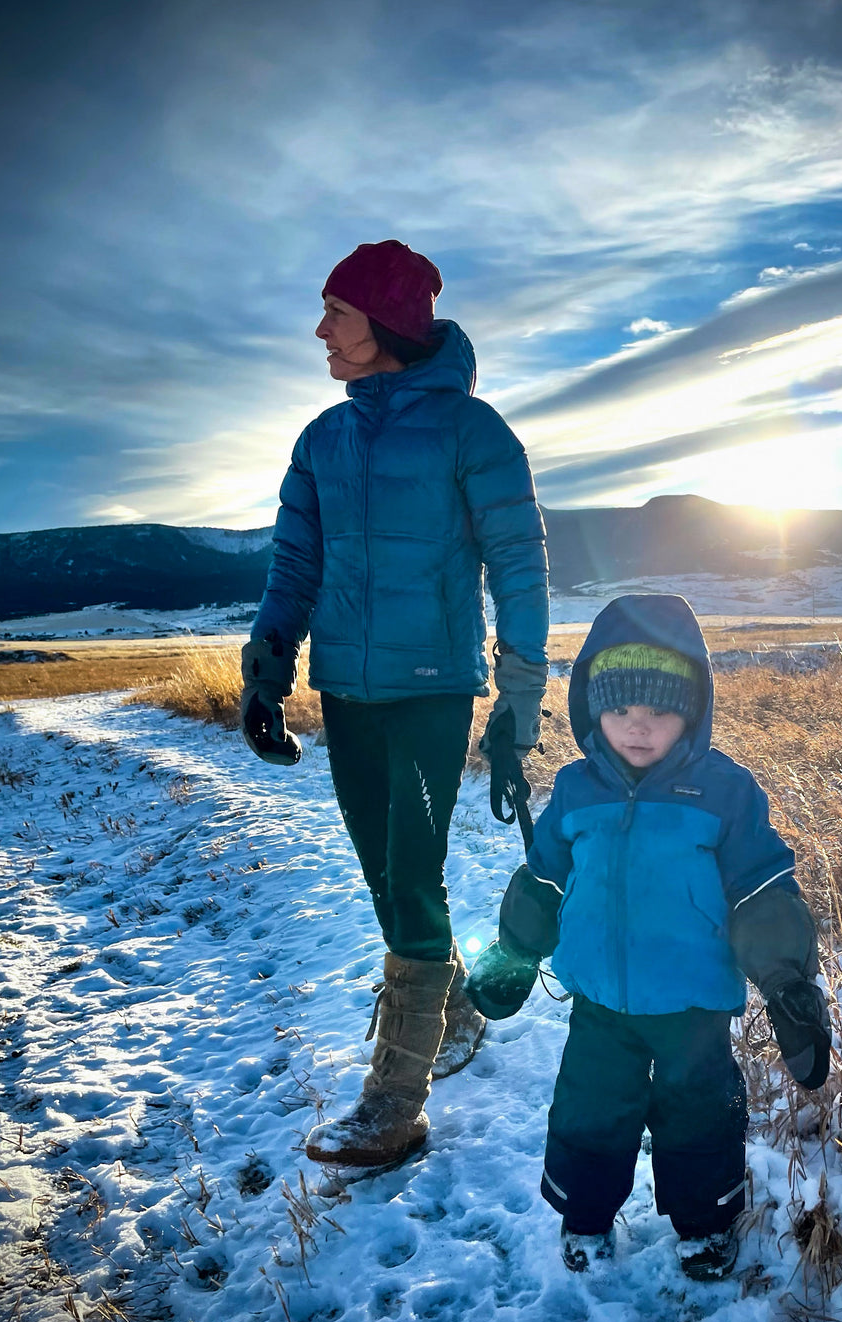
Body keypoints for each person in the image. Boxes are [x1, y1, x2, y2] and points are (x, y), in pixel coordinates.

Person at [240, 239, 550, 1173]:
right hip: (347, 691)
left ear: (385, 325)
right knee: (383, 871)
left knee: (412, 873)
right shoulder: (322, 440)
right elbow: (295, 564)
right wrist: (266, 670)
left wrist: (517, 700)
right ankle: (444, 997)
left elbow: (521, 571)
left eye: (336, 311)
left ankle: (395, 1103)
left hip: (431, 694)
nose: (321, 330)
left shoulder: (474, 432)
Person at [466, 593, 831, 1280]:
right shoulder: (577, 791)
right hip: (599, 1002)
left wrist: (786, 981)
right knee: (589, 1110)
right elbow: (543, 878)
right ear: (591, 707)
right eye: (621, 708)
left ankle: (706, 1222)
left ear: (691, 709)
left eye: (659, 710)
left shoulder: (724, 792)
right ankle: (586, 1213)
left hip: (692, 1006)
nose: (638, 726)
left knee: (699, 1117)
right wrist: (514, 950)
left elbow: (761, 889)